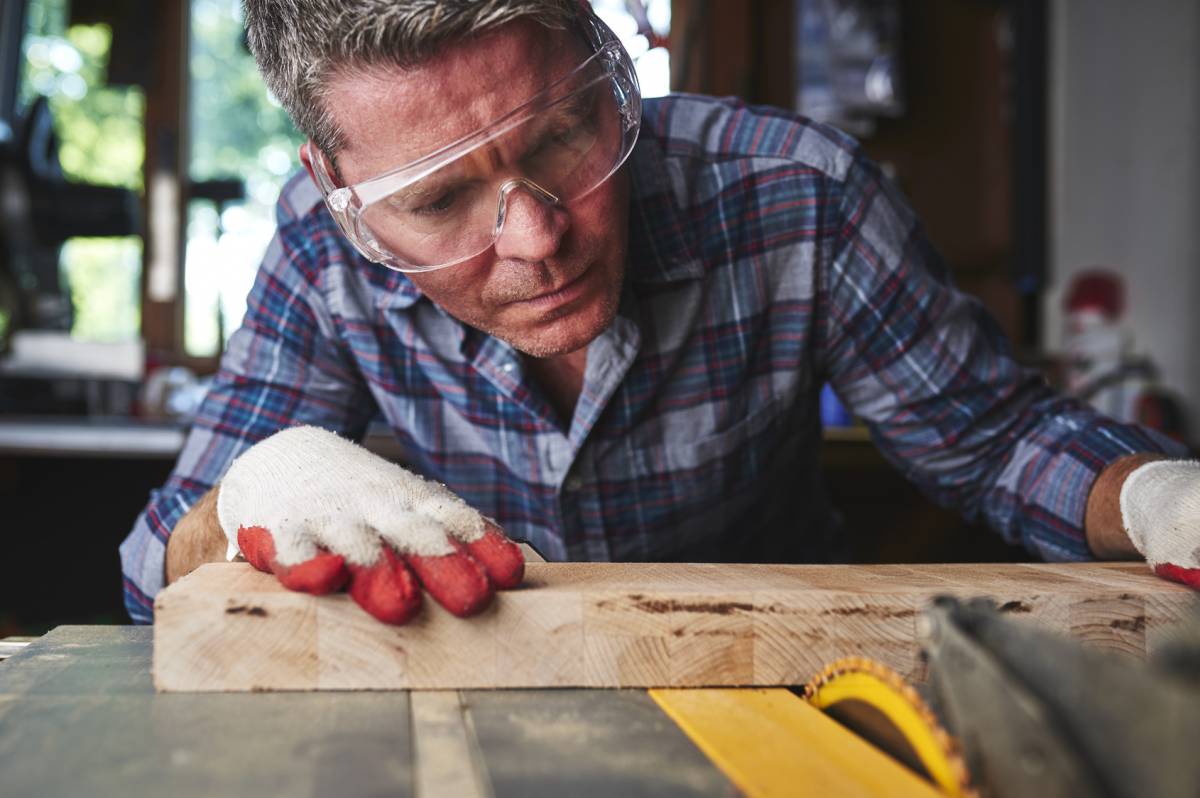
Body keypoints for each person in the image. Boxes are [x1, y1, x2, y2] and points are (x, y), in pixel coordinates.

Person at [120, 0, 1198, 625]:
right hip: (468, 692)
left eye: (561, 140)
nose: (539, 239)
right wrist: (243, 503)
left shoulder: (795, 192)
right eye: (442, 200)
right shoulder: (319, 250)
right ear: (337, 191)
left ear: (613, 75)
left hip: (778, 682)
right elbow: (147, 569)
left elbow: (996, 443)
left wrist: (1156, 497)